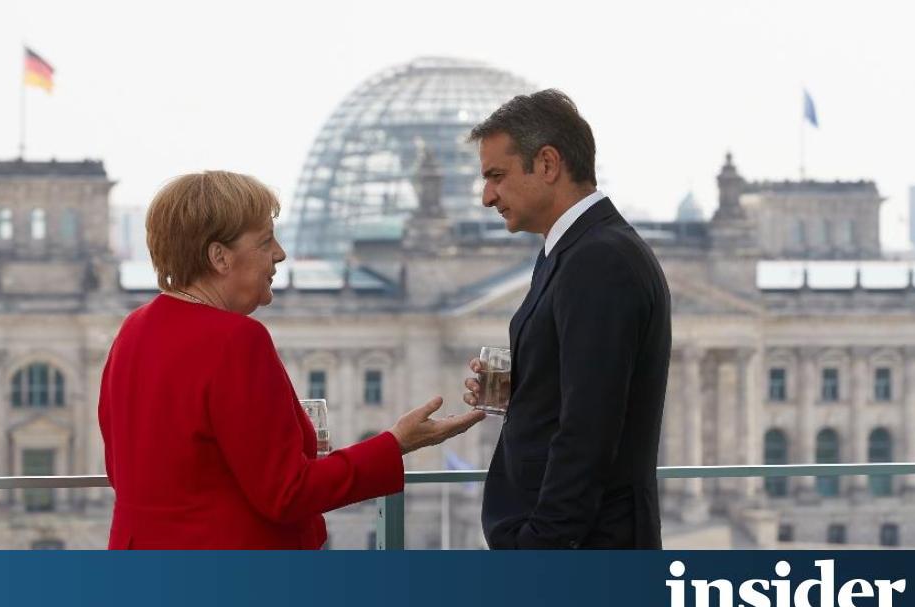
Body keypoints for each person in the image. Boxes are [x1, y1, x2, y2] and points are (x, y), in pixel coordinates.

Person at [99, 171, 485, 549]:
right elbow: (287, 493)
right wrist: (395, 444)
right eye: (265, 241)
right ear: (220, 257)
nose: (280, 254)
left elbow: (123, 471)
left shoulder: (134, 329)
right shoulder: (235, 339)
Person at [463, 90, 671, 549]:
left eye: (496, 176)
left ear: (548, 164)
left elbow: (589, 432)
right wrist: (527, 388)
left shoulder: (600, 259)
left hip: (585, 552)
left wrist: (541, 548)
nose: (487, 197)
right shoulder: (570, 252)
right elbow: (584, 389)